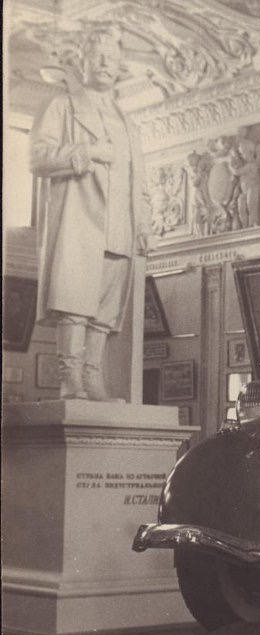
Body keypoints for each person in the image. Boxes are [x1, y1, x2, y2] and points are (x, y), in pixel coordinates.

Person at [30, 28, 151, 401]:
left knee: (104, 309)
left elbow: (139, 181)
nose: (104, 63)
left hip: (121, 226)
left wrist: (143, 224)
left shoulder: (128, 124)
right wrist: (88, 153)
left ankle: (92, 376)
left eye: (111, 58)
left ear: (119, 67)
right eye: (97, 56)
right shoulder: (62, 106)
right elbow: (37, 157)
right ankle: (70, 378)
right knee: (74, 300)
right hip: (80, 222)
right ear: (81, 61)